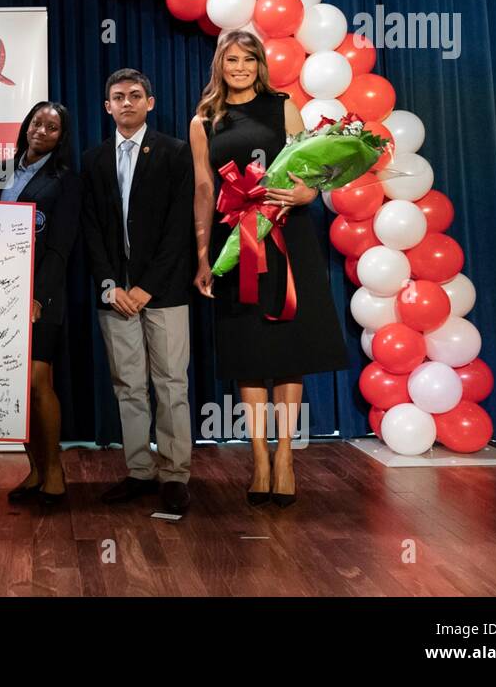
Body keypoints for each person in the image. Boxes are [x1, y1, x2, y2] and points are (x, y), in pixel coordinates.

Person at [190, 30, 347, 507]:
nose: (239, 67)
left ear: (260, 64)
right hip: (234, 242)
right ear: (220, 65)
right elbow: (201, 190)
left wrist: (308, 194)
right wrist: (202, 257)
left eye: (248, 60)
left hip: (286, 235)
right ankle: (258, 456)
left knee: (287, 348)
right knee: (249, 348)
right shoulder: (204, 121)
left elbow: (310, 168)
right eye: (231, 59)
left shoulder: (283, 108)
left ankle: (285, 456)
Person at [81, 68, 195, 515]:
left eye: (134, 95)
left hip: (163, 292)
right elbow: (91, 231)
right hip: (115, 296)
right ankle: (139, 471)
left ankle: (174, 475)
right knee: (128, 384)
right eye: (117, 97)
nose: (126, 102)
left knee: (170, 384)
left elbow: (178, 227)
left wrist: (147, 286)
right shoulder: (92, 160)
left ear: (149, 102)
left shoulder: (174, 152)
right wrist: (111, 286)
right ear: (107, 106)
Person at [0, 101, 82, 506]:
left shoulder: (66, 180)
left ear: (62, 137)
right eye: (37, 122)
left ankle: (56, 474)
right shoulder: (1, 171)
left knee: (36, 381)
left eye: (53, 127)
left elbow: (61, 248)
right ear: (26, 125)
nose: (42, 130)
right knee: (12, 387)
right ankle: (34, 471)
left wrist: (38, 296)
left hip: (39, 295)